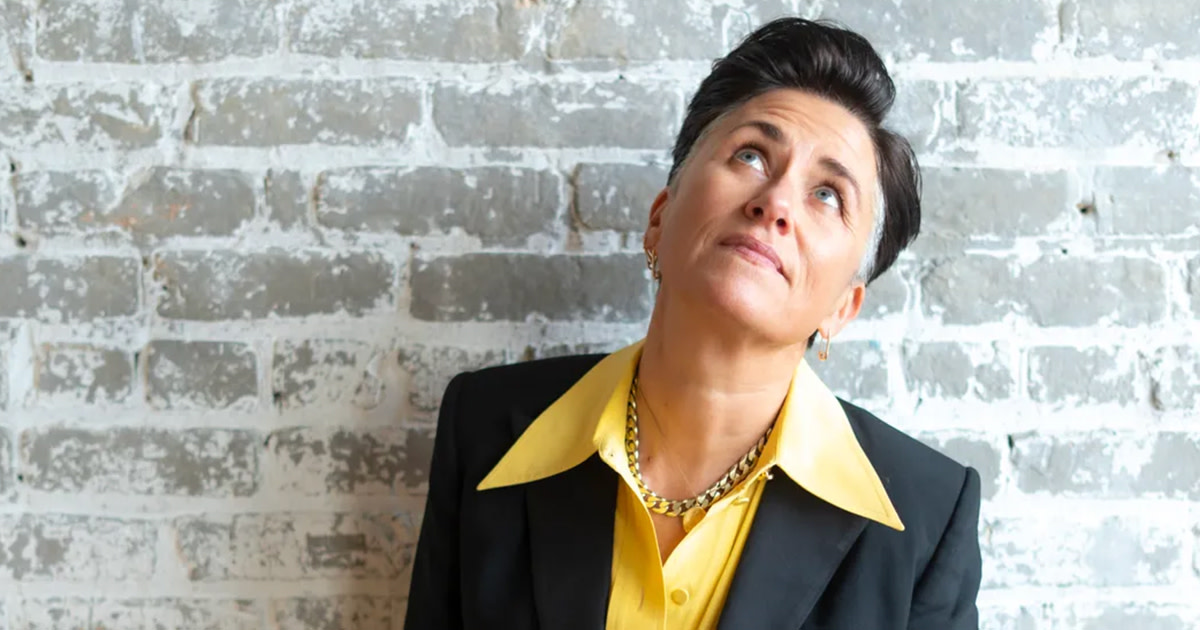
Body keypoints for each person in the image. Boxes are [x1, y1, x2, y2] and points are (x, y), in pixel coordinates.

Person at [405, 17, 981, 630]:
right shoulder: (486, 428)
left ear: (843, 306)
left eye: (828, 194)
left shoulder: (926, 519)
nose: (776, 202)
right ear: (660, 218)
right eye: (752, 155)